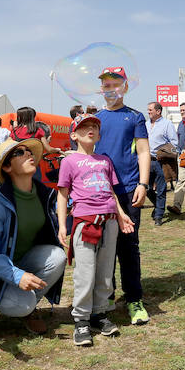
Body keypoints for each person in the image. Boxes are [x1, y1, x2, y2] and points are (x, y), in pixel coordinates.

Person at [0, 137, 67, 336]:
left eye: (29, 151)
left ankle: (26, 307)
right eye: (19, 153)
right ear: (6, 167)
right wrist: (17, 275)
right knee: (25, 304)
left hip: (24, 261)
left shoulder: (43, 194)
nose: (28, 154)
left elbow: (62, 214)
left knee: (58, 257)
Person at [56, 114, 134, 346]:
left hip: (109, 220)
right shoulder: (69, 162)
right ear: (74, 134)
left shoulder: (104, 161)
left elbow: (110, 190)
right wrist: (62, 225)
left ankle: (100, 313)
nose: (90, 130)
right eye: (84, 127)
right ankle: (81, 320)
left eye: (94, 127)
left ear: (99, 135)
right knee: (85, 271)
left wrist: (120, 215)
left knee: (105, 270)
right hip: (85, 221)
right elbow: (62, 194)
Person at [94, 66, 151, 326]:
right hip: (101, 191)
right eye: (106, 85)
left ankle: (134, 298)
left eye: (115, 84)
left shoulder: (135, 117)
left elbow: (143, 151)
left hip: (128, 188)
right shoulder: (94, 119)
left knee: (129, 246)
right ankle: (107, 295)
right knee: (103, 245)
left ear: (125, 87)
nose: (110, 89)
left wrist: (143, 183)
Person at [145, 101, 178, 226]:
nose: (148, 112)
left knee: (161, 189)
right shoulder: (145, 124)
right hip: (147, 161)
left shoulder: (167, 124)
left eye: (150, 110)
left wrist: (164, 152)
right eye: (148, 110)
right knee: (146, 188)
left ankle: (159, 215)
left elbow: (174, 143)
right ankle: (157, 206)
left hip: (162, 162)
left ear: (158, 111)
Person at [167, 102, 185, 215]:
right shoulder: (180, 124)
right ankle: (177, 206)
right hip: (182, 155)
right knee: (181, 181)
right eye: (181, 110)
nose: (182, 112)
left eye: (183, 110)